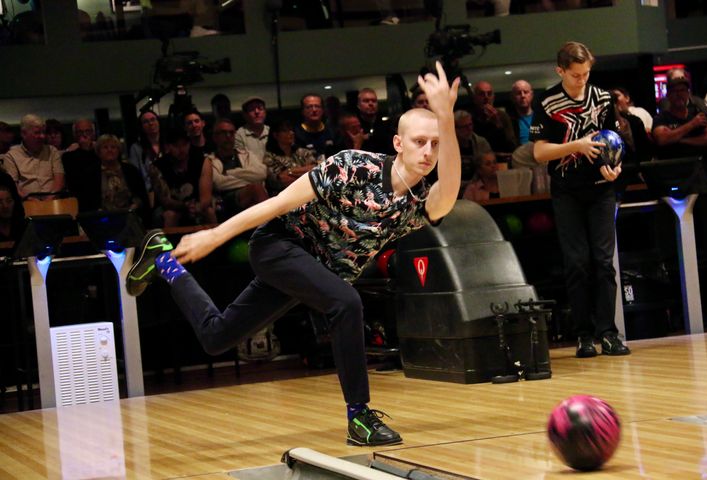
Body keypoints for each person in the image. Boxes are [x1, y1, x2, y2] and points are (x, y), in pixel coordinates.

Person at [125, 62, 461, 447]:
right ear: (398, 144)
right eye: (420, 141)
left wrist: (446, 118)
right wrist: (214, 235)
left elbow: (449, 188)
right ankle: (359, 417)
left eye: (435, 143)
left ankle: (164, 261)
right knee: (346, 302)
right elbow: (277, 204)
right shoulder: (352, 166)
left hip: (312, 273)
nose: (428, 151)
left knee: (216, 337)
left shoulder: (418, 202)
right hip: (280, 247)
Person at [530, 41, 630, 358]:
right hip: (567, 191)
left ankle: (609, 333)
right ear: (560, 71)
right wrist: (576, 145)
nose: (581, 80)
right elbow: (539, 152)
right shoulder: (547, 102)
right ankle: (584, 335)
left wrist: (613, 167)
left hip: (601, 188)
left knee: (603, 262)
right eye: (575, 75)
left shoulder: (601, 98)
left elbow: (610, 142)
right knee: (577, 264)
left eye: (586, 73)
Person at [151, 129, 217, 227]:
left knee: (209, 212)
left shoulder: (202, 161)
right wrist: (185, 206)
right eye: (176, 146)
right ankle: (170, 242)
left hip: (197, 204)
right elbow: (165, 201)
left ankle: (218, 241)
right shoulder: (158, 166)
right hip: (170, 207)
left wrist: (197, 207)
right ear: (168, 146)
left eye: (184, 144)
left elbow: (206, 197)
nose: (181, 149)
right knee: (170, 215)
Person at [208, 118, 269, 219]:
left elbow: (261, 174)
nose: (228, 136)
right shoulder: (210, 160)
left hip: (248, 200)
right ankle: (277, 229)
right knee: (256, 188)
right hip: (225, 202)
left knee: (254, 206)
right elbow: (219, 183)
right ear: (215, 137)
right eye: (223, 133)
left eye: (231, 133)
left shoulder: (246, 154)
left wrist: (229, 173)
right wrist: (249, 180)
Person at [652, 76, 707, 162]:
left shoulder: (698, 114)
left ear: (688, 94)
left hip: (699, 165)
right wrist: (692, 124)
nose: (679, 94)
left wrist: (679, 140)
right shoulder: (661, 118)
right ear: (668, 95)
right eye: (674, 91)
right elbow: (662, 139)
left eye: (682, 90)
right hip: (671, 166)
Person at [3, 114, 65, 200]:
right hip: (26, 204)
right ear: (24, 134)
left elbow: (59, 180)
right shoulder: (11, 155)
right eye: (37, 132)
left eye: (43, 132)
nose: (42, 136)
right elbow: (13, 186)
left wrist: (49, 199)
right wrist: (31, 200)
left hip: (53, 202)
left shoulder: (52, 151)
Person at [263, 119, 319, 195]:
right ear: (275, 135)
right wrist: (305, 173)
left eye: (291, 130)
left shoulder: (302, 152)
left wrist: (289, 171)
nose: (291, 133)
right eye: (285, 131)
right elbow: (282, 180)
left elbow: (316, 170)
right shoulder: (270, 156)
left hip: (307, 192)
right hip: (283, 195)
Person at [471, 80, 518, 154]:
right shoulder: (470, 117)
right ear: (474, 98)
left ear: (493, 97)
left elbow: (512, 145)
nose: (486, 97)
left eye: (489, 94)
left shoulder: (502, 116)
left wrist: (497, 123)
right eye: (482, 94)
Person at [294, 93, 337, 160]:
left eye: (317, 106)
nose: (314, 110)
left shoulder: (333, 131)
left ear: (323, 110)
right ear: (303, 111)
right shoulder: (295, 134)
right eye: (309, 107)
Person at [508, 80, 534, 146]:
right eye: (519, 93)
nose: (523, 96)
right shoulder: (508, 120)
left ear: (531, 95)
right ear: (513, 97)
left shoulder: (542, 116)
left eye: (525, 92)